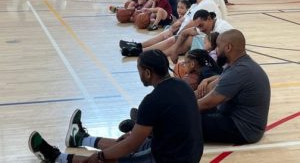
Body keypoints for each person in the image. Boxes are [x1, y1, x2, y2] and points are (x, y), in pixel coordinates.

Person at [28, 50, 203, 163]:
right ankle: (80, 139)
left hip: (170, 159)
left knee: (107, 159)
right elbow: (171, 124)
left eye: (139, 69)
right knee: (126, 140)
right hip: (190, 153)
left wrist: (101, 155)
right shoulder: (183, 86)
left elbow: (130, 147)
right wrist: (132, 135)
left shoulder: (152, 100)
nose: (138, 73)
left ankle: (56, 157)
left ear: (148, 73)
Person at [195, 29, 271, 144]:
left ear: (228, 47)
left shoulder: (240, 71)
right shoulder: (238, 65)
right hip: (232, 119)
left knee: (184, 122)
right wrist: (183, 96)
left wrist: (179, 108)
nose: (216, 50)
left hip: (242, 129)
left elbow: (208, 102)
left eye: (218, 46)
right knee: (189, 115)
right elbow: (210, 88)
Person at [120, 0, 221, 57]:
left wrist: (180, 33)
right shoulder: (195, 4)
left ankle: (141, 52)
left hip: (203, 37)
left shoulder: (206, 4)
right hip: (191, 32)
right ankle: (138, 45)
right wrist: (173, 29)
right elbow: (183, 20)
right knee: (167, 32)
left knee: (172, 40)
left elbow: (193, 23)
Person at [168, 10, 233, 63]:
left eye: (201, 25)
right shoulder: (204, 27)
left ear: (209, 19)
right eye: (198, 27)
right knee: (177, 40)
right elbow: (184, 33)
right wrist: (174, 50)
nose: (201, 29)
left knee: (190, 40)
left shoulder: (222, 30)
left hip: (229, 60)